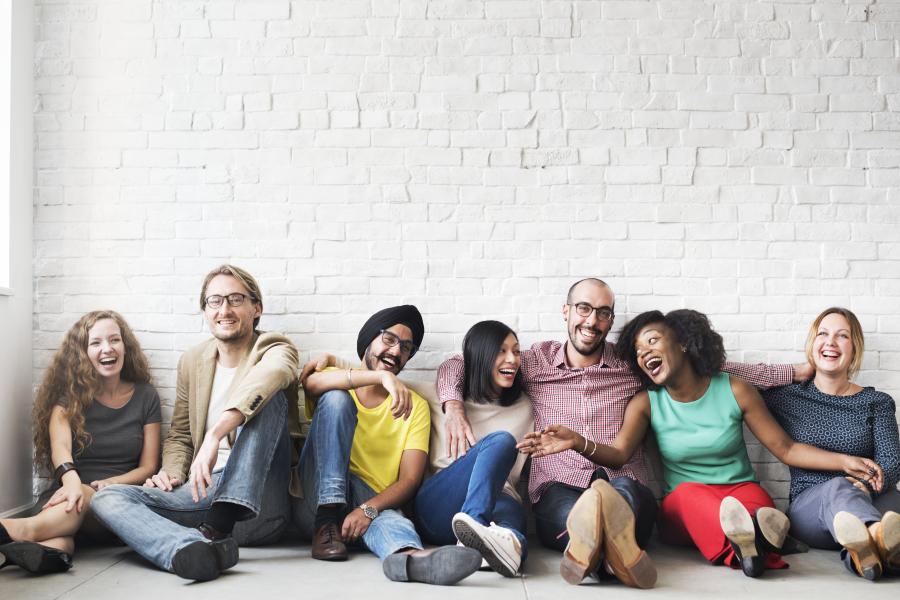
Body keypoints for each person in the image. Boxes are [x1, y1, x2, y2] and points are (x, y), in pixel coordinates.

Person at [440, 278, 802, 588]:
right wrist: (453, 407)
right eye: (583, 308)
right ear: (565, 311)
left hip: (622, 480)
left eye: (603, 313)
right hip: (558, 487)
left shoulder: (632, 365)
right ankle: (616, 557)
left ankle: (593, 556)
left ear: (610, 321)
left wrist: (794, 373)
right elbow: (460, 362)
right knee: (573, 510)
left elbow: (712, 369)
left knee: (623, 492)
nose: (592, 321)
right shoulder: (536, 362)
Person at [588, 308, 884, 578]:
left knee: (757, 509)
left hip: (744, 493)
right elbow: (618, 453)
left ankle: (751, 544)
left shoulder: (735, 388)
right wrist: (578, 441)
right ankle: (757, 542)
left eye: (652, 341)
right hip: (685, 503)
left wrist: (844, 461)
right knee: (691, 495)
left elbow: (787, 449)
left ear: (683, 343)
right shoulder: (646, 403)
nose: (645, 353)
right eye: (639, 350)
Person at [91, 264, 300, 582]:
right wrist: (171, 473)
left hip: (260, 502)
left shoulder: (274, 348)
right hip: (202, 493)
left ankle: (219, 523)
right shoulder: (192, 360)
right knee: (107, 497)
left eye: (235, 299)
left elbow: (274, 376)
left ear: (256, 308)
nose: (224, 310)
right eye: (215, 301)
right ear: (205, 310)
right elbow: (181, 434)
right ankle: (190, 550)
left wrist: (216, 434)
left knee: (270, 399)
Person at [296, 305, 481, 586]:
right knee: (336, 399)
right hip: (316, 499)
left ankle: (411, 560)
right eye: (389, 339)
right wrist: (381, 376)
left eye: (406, 347)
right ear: (369, 338)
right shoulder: (335, 375)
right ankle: (327, 520)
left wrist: (367, 510)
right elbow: (310, 385)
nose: (397, 351)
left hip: (368, 508)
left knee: (391, 520)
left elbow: (409, 480)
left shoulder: (415, 407)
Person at [0, 311, 161, 574]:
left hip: (114, 503)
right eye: (95, 343)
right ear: (82, 352)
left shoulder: (146, 396)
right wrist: (72, 482)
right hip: (67, 495)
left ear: (125, 345)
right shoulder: (68, 397)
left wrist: (110, 484)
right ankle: (24, 551)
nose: (107, 349)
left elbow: (149, 467)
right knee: (60, 545)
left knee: (80, 501)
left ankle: (21, 529)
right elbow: (60, 447)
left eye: (114, 340)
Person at [762, 307, 900, 580]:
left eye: (842, 336)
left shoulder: (877, 402)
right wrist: (791, 371)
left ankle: (866, 555)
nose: (831, 342)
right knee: (840, 486)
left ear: (855, 348)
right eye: (822, 334)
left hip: (874, 495)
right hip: (812, 509)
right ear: (812, 344)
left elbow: (892, 462)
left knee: (887, 513)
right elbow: (725, 374)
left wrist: (867, 487)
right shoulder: (787, 397)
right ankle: (877, 538)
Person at [414, 320, 533, 577]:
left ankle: (499, 550)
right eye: (501, 351)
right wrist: (334, 362)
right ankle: (473, 526)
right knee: (501, 440)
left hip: (500, 499)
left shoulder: (528, 407)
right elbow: (382, 382)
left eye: (516, 351)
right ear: (480, 356)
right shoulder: (441, 397)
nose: (512, 359)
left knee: (513, 529)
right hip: (441, 503)